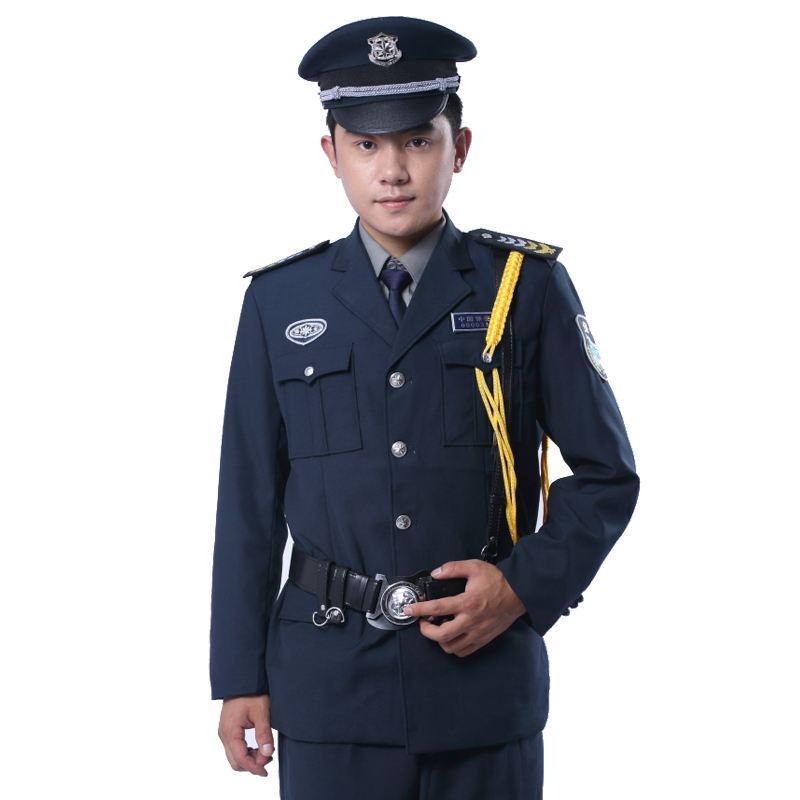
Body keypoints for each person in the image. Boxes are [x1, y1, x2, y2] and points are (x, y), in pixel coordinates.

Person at [209, 15, 639, 799]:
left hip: (483, 688)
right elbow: (248, 504)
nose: (393, 170)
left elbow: (609, 476)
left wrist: (522, 588)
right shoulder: (280, 301)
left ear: (459, 147)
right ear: (331, 154)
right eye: (366, 145)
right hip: (330, 687)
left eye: (417, 140)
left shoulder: (524, 288)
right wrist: (238, 675)